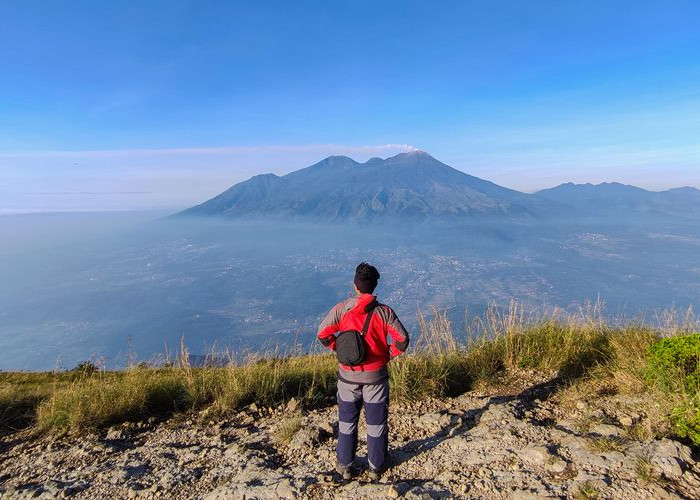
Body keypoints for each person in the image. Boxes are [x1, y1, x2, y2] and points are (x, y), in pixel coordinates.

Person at [317, 262, 410, 481]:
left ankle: (346, 466)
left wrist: (339, 348)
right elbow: (402, 340)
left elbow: (323, 334)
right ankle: (376, 466)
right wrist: (386, 354)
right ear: (375, 286)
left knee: (347, 422)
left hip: (347, 376)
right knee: (376, 423)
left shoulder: (341, 309)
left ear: (355, 285)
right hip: (376, 377)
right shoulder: (384, 312)